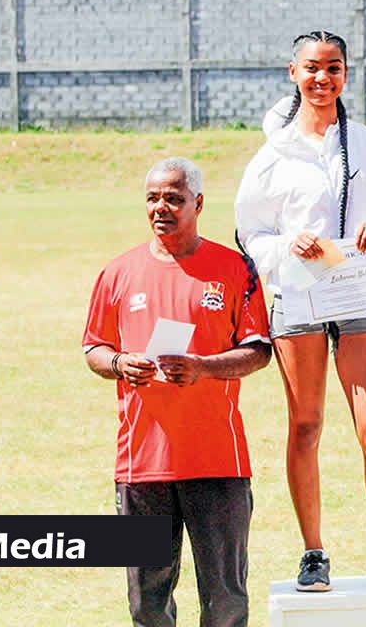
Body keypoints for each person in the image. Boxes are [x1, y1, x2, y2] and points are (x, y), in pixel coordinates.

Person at [235, 30, 366, 592]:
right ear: (293, 72)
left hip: (356, 295)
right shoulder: (271, 157)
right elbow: (250, 232)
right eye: (312, 68)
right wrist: (289, 247)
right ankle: (314, 553)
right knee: (305, 424)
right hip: (300, 297)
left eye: (333, 68)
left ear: (345, 74)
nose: (322, 79)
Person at [83, 157, 272, 627]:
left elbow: (259, 350)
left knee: (225, 600)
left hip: (217, 463)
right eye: (152, 198)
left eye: (173, 198)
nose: (160, 207)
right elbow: (94, 348)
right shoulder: (118, 273)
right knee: (148, 603)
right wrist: (121, 363)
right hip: (142, 464)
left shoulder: (234, 269)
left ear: (198, 203)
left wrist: (204, 368)